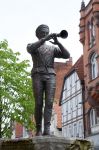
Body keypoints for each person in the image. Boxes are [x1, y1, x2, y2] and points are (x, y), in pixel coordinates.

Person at [27, 24, 70, 136]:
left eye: (47, 32)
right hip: (37, 75)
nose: (45, 34)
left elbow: (66, 55)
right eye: (42, 32)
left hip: (50, 75)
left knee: (50, 102)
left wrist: (58, 43)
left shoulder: (52, 49)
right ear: (38, 34)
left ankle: (47, 129)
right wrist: (44, 40)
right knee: (39, 103)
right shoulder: (32, 46)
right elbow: (31, 49)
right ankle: (38, 129)